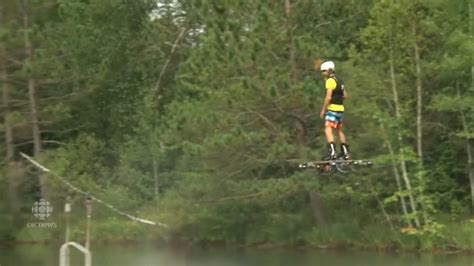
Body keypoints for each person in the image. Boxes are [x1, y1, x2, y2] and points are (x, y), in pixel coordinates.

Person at [319, 60, 350, 160]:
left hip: (332, 108)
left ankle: (332, 152)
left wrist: (323, 110)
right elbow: (345, 95)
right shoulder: (340, 80)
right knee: (339, 130)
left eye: (324, 71)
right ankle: (345, 152)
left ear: (329, 70)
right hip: (340, 108)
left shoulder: (330, 81)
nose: (323, 73)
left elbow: (328, 97)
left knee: (328, 129)